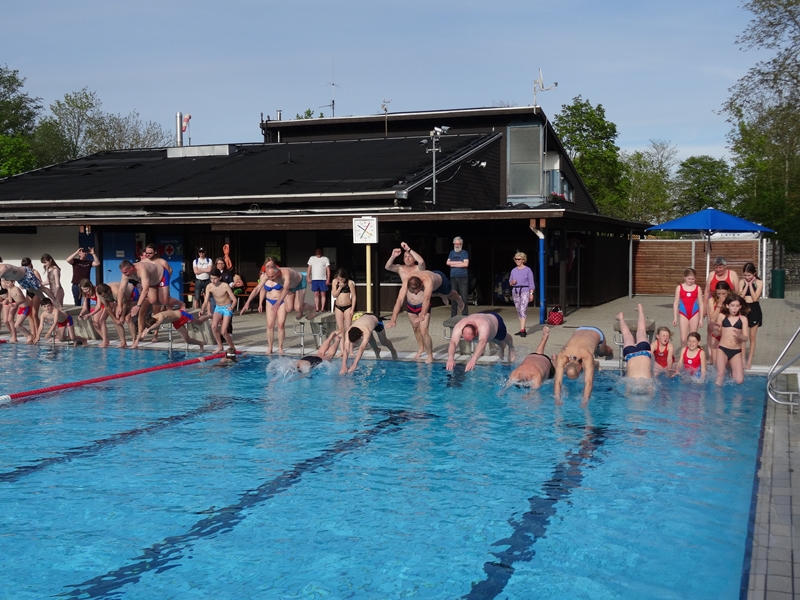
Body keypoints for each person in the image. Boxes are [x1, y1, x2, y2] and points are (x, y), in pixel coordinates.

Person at [553, 324, 615, 405]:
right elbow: (557, 381)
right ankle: (595, 364)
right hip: (580, 329)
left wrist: (585, 401)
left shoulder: (586, 356)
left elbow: (589, 382)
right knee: (590, 364)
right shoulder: (563, 354)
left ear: (580, 367)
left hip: (597, 333)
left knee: (601, 353)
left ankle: (610, 351)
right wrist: (557, 399)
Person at [239, 266, 288, 354]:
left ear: (277, 273)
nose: (270, 278)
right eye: (269, 276)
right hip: (269, 301)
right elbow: (258, 289)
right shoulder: (264, 277)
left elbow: (288, 290)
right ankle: (270, 347)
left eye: (272, 276)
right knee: (269, 325)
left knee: (280, 325)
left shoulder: (283, 277)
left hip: (281, 301)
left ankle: (280, 347)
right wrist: (248, 302)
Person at [445, 312, 515, 372]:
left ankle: (511, 348)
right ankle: (501, 346)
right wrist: (450, 358)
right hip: (481, 317)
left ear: (476, 332)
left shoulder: (483, 326)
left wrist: (473, 360)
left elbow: (482, 342)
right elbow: (453, 342)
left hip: (496, 322)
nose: (469, 342)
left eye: (471, 339)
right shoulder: (459, 326)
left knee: (504, 339)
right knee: (492, 339)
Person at [116, 259, 164, 339]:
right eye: (123, 273)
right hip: (148, 287)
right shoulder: (126, 274)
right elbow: (121, 290)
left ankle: (155, 335)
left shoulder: (142, 269)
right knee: (141, 313)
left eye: (126, 272)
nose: (125, 275)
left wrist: (138, 305)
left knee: (156, 310)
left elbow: (145, 289)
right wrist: (119, 305)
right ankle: (140, 335)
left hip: (158, 282)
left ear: (131, 268)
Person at [713, 293, 750, 385]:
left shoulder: (743, 319)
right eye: (732, 305)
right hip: (722, 349)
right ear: (727, 306)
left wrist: (741, 336)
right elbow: (716, 333)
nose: (734, 308)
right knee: (720, 374)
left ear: (740, 307)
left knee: (739, 380)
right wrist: (715, 329)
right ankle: (717, 395)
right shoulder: (722, 316)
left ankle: (731, 374)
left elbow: (746, 338)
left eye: (737, 306)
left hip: (736, 351)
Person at [616, 305, 655, 382]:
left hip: (644, 352)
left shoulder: (648, 383)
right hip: (630, 355)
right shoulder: (632, 383)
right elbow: (627, 392)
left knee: (641, 331)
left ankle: (640, 309)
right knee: (627, 335)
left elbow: (651, 392)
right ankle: (621, 318)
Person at [138, 308, 210, 350]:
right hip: (176, 321)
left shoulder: (161, 316)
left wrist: (148, 330)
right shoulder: (153, 320)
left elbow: (158, 324)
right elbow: (154, 325)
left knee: (199, 322)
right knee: (187, 340)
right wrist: (143, 332)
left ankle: (209, 315)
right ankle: (201, 343)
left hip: (182, 315)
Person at [202, 268, 237, 353]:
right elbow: (206, 301)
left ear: (219, 278)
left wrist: (231, 307)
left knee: (224, 331)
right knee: (213, 327)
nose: (213, 281)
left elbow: (234, 299)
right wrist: (202, 309)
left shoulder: (225, 285)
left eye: (215, 278)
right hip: (218, 307)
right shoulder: (209, 286)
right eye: (211, 278)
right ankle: (220, 346)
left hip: (227, 307)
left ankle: (232, 348)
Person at [738, 262, 763, 370]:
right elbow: (741, 297)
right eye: (745, 275)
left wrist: (751, 286)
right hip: (743, 309)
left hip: (754, 309)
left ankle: (749, 360)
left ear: (754, 274)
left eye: (749, 275)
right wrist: (746, 285)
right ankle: (742, 359)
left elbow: (755, 298)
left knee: (752, 337)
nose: (747, 277)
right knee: (744, 337)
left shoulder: (759, 282)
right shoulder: (741, 282)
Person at [672, 268, 703, 347]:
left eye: (693, 279)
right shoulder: (679, 288)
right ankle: (683, 356)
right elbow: (675, 303)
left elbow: (701, 304)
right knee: (683, 339)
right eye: (689, 279)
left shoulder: (697, 288)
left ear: (695, 278)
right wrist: (675, 318)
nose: (691, 281)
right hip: (683, 313)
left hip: (694, 313)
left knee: (693, 338)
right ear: (684, 277)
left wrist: (701, 319)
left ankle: (692, 356)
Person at [509, 251, 535, 337]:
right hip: (515, 291)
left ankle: (523, 330)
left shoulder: (528, 270)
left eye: (519, 259)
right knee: (519, 310)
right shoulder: (513, 270)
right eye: (515, 259)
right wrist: (512, 282)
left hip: (525, 290)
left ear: (523, 260)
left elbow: (531, 283)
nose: (517, 260)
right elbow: (510, 282)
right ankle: (521, 328)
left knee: (523, 309)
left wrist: (531, 293)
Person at [1, 278, 34, 343]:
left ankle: (30, 336)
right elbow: (10, 299)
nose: (7, 284)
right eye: (6, 283)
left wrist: (16, 304)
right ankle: (28, 338)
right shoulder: (9, 289)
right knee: (18, 325)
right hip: (21, 308)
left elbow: (23, 300)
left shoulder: (16, 289)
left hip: (26, 308)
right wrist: (7, 302)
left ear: (13, 282)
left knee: (17, 325)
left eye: (8, 283)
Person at [706, 281, 730, 363]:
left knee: (727, 361)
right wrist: (719, 304)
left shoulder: (731, 300)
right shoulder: (712, 300)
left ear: (728, 291)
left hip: (728, 332)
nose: (721, 296)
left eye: (724, 294)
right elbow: (712, 318)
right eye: (719, 294)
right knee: (715, 361)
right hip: (716, 332)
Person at [143, 244, 173, 308]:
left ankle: (171, 308)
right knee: (153, 300)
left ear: (155, 252)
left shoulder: (162, 262)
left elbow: (168, 273)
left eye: (150, 253)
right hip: (151, 283)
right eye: (146, 253)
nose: (148, 254)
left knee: (165, 300)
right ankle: (157, 314)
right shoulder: (143, 262)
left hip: (161, 282)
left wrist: (165, 284)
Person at [20, 257, 43, 340]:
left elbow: (40, 283)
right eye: (23, 266)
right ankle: (33, 333)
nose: (25, 267)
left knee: (34, 314)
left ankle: (38, 333)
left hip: (36, 293)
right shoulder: (23, 273)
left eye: (26, 265)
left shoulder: (35, 272)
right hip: (28, 293)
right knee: (29, 314)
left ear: (30, 264)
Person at [331, 268, 356, 342]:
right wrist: (340, 287)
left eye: (342, 279)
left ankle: (349, 347)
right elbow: (334, 295)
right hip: (338, 307)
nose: (340, 281)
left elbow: (354, 297)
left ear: (345, 277)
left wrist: (352, 309)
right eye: (339, 279)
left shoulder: (350, 283)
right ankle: (342, 349)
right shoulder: (335, 282)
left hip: (348, 307)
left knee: (348, 328)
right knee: (340, 329)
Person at [446, 236, 469, 318]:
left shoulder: (465, 253)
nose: (457, 245)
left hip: (463, 277)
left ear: (461, 244)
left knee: (464, 297)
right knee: (453, 297)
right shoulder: (451, 252)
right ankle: (453, 317)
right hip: (453, 277)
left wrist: (453, 264)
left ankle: (465, 316)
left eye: (458, 244)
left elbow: (466, 264)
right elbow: (447, 263)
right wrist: (460, 263)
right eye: (455, 244)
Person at [307, 248, 331, 313]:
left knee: (323, 294)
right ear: (315, 252)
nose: (318, 252)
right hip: (314, 279)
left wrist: (328, 278)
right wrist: (308, 277)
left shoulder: (325, 259)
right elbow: (309, 268)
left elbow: (328, 269)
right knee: (316, 294)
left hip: (323, 279)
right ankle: (317, 308)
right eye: (317, 251)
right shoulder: (312, 258)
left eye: (319, 251)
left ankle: (322, 308)